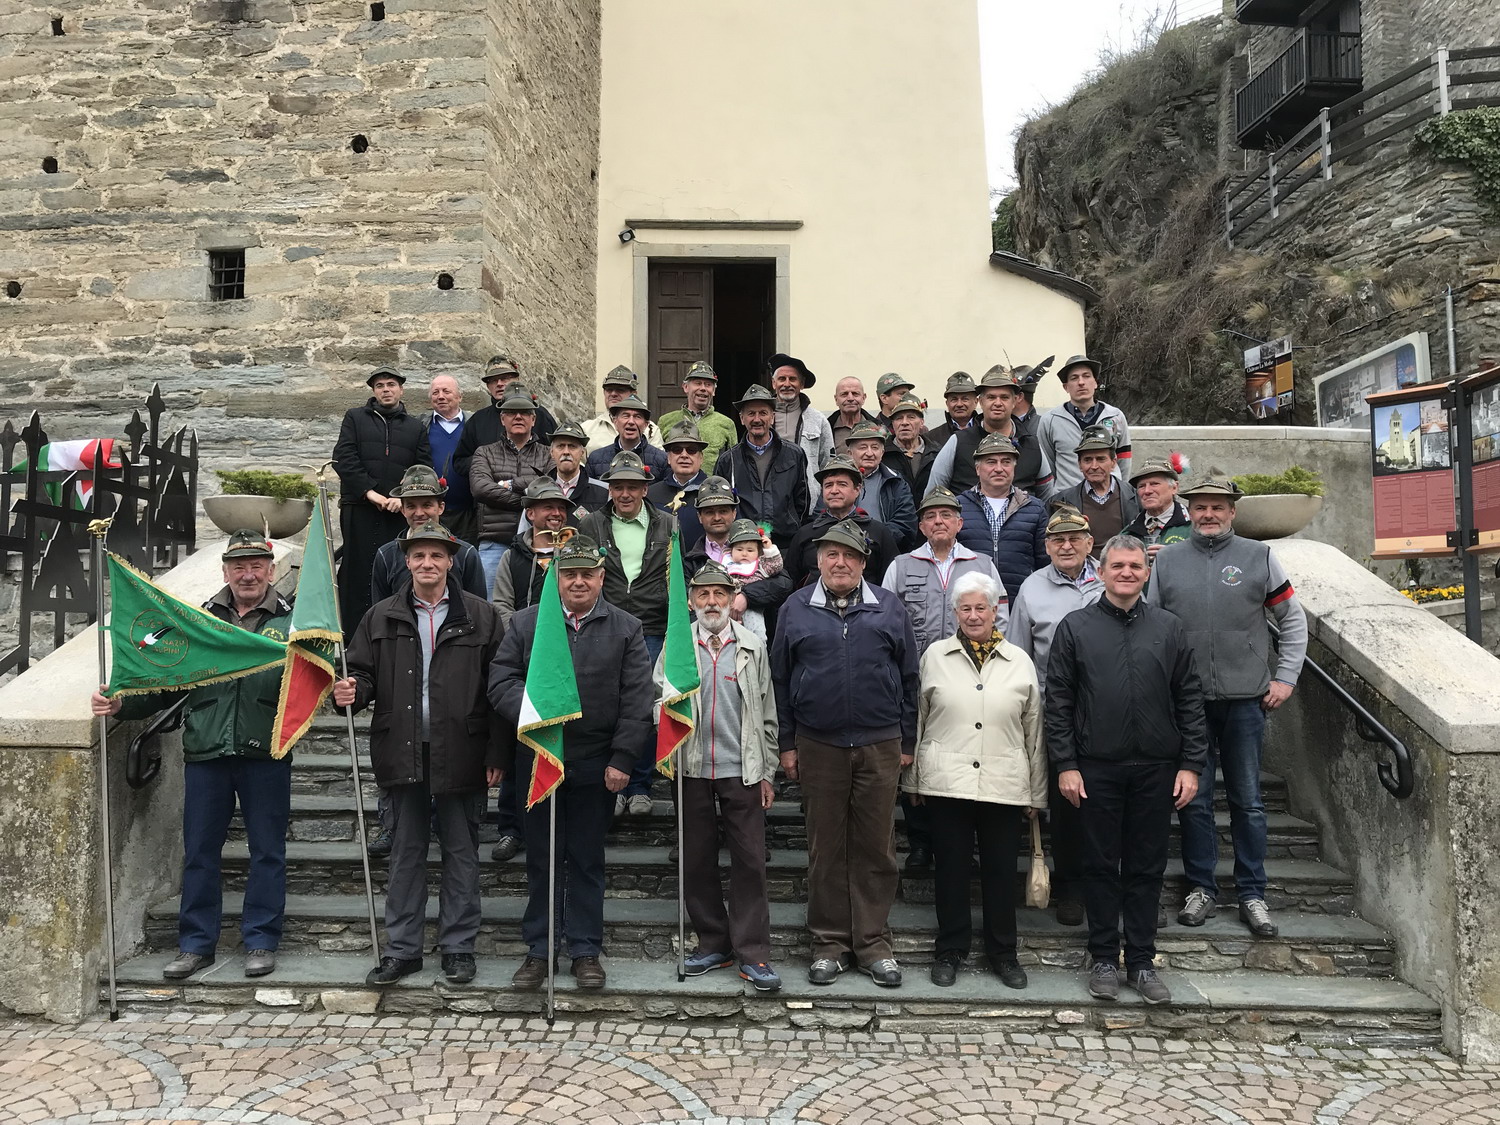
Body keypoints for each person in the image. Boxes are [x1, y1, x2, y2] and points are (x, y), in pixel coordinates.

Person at [90, 530, 293, 981]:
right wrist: (122, 704)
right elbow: (166, 682)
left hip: (266, 751)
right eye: (238, 566)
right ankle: (195, 945)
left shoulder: (294, 624)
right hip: (206, 751)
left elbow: (313, 683)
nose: (247, 574)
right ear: (225, 571)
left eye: (256, 565)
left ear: (271, 571)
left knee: (268, 852)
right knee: (200, 853)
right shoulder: (198, 621)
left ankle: (261, 940)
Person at [333, 521, 505, 986]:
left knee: (461, 852)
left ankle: (458, 947)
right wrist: (351, 690)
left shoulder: (483, 616)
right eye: (418, 556)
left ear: (451, 561)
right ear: (406, 562)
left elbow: (499, 688)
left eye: (436, 555)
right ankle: (403, 950)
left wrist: (497, 752)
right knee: (405, 852)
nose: (427, 563)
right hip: (401, 748)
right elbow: (362, 673)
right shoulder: (379, 616)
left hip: (463, 749)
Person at [1046, 533, 1208, 1005]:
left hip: (1156, 768)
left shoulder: (1169, 628)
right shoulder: (1075, 627)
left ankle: (1140, 961)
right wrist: (1066, 764)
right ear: (1101, 572)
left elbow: (1189, 698)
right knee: (1099, 865)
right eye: (1117, 566)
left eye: (1135, 566)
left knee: (1146, 866)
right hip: (1095, 767)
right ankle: (1102, 957)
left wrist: (1191, 764)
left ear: (1146, 572)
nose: (1126, 573)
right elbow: (1059, 701)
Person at [488, 533, 654, 992]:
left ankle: (584, 950)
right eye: (570, 574)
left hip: (596, 762)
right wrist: (535, 710)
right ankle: (539, 950)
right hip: (540, 758)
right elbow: (501, 679)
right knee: (542, 858)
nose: (578, 582)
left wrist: (623, 758)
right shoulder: (527, 623)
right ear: (557, 578)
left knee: (585, 859)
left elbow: (637, 698)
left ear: (601, 578)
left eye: (587, 574)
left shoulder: (626, 627)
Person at [1150, 469, 1308, 939]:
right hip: (1188, 702)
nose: (1209, 514)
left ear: (1232, 512)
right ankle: (1201, 887)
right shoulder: (1167, 561)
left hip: (1246, 700)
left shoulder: (1259, 556)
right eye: (1200, 507)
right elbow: (1152, 628)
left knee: (1248, 802)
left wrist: (1286, 677)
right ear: (1189, 512)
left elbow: (1292, 619)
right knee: (1194, 800)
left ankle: (1252, 893)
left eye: (1217, 507)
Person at [773, 519, 919, 988]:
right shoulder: (795, 608)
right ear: (818, 560)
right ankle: (829, 944)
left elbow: (910, 677)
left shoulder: (889, 607)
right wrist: (787, 743)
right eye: (832, 554)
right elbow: (780, 680)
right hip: (818, 743)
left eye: (850, 555)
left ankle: (873, 944)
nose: (840, 562)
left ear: (863, 562)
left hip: (880, 743)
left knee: (876, 846)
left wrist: (907, 740)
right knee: (825, 847)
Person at [906, 571, 1045, 989]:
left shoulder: (1019, 660)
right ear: (954, 613)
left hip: (1004, 782)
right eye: (964, 608)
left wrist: (1037, 792)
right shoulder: (934, 656)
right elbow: (918, 719)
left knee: (1001, 871)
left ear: (994, 610)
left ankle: (1004, 953)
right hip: (946, 781)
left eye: (980, 607)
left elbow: (1034, 729)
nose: (972, 615)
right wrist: (912, 781)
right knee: (950, 870)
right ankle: (950, 949)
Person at [659, 562, 781, 992]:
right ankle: (713, 943)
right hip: (691, 767)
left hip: (742, 768)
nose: (712, 602)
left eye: (719, 594)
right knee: (696, 859)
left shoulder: (752, 645)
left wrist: (767, 771)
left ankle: (753, 952)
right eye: (703, 595)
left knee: (750, 862)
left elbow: (767, 711)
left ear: (732, 600)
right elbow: (658, 701)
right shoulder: (677, 645)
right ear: (692, 601)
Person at [1006, 505, 1104, 927]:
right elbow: (1018, 656)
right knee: (1067, 806)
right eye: (1057, 540)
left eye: (1074, 539)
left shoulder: (1111, 578)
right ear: (1046, 547)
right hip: (1055, 713)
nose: (1066, 546)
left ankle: (1109, 886)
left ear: (1089, 543)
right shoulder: (1032, 588)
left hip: (1109, 712)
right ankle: (1071, 888)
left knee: (1108, 804)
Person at [579, 450, 677, 816]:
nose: (625, 494)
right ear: (609, 489)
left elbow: (675, 578)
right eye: (618, 486)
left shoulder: (668, 524)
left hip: (652, 626)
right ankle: (612, 784)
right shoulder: (592, 524)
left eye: (632, 487)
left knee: (645, 706)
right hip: (606, 625)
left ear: (645, 489)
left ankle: (639, 785)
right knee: (609, 704)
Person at [488, 478, 574, 864]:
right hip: (522, 660)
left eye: (560, 508)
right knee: (517, 744)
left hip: (564, 662)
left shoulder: (575, 553)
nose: (555, 513)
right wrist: (526, 639)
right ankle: (512, 827)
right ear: (530, 513)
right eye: (547, 507)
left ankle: (560, 827)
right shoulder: (514, 556)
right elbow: (501, 604)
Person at [332, 367, 430, 634]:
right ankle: (351, 635)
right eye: (380, 386)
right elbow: (344, 458)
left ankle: (391, 632)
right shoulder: (355, 418)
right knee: (356, 571)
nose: (386, 389)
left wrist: (403, 497)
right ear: (374, 391)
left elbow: (422, 468)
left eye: (391, 384)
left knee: (394, 570)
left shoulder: (415, 427)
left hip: (397, 512)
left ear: (401, 389)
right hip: (359, 508)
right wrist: (370, 492)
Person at [683, 477, 796, 628]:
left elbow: (784, 584)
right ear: (700, 517)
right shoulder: (691, 560)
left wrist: (746, 596)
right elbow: (686, 603)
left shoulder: (756, 548)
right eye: (709, 512)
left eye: (723, 511)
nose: (717, 517)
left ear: (734, 513)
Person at [470, 388, 552, 593]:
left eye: (524, 412)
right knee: (492, 604)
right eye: (511, 412)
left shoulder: (548, 454)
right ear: (502, 419)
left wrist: (512, 484)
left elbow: (551, 484)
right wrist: (528, 502)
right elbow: (480, 489)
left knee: (537, 602)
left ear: (533, 419)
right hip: (494, 542)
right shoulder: (485, 453)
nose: (518, 417)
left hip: (539, 543)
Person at [927, 366, 1055, 498]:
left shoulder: (1032, 445)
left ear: (1015, 401)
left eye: (1004, 397)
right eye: (991, 397)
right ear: (981, 401)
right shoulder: (958, 442)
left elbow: (1047, 497)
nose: (998, 403)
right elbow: (933, 494)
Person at [370, 465, 488, 605]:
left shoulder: (465, 554)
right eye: (411, 506)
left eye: (426, 505)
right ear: (403, 510)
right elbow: (380, 612)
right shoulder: (386, 556)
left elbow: (478, 609)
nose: (419, 513)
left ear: (441, 508)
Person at [953, 432, 1049, 601]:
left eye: (1006, 462)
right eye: (991, 462)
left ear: (1014, 468)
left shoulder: (1035, 509)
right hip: (972, 605)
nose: (999, 468)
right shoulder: (958, 507)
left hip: (1021, 602)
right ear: (977, 469)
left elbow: (1045, 564)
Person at [713, 384, 810, 549]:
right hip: (743, 546)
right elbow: (721, 503)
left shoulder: (794, 454)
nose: (757, 419)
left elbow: (803, 500)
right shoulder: (728, 460)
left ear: (772, 417)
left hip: (785, 545)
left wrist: (792, 526)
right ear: (742, 418)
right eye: (751, 413)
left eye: (763, 413)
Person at [785, 455, 900, 588]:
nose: (834, 491)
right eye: (828, 485)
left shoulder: (878, 532)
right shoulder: (805, 533)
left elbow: (893, 579)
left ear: (857, 489)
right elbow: (791, 580)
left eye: (842, 484)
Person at [452, 354, 557, 493]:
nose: (499, 383)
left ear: (516, 380)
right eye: (493, 380)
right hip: (490, 498)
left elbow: (556, 457)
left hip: (534, 496)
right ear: (488, 386)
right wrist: (488, 465)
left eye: (505, 378)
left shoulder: (540, 416)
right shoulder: (477, 421)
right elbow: (460, 462)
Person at [1036, 355, 1132, 493]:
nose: (1081, 382)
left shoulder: (1115, 416)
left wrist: (1121, 491)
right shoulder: (1050, 420)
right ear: (1066, 387)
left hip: (1110, 496)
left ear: (1095, 383)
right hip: (1068, 498)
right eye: (1074, 378)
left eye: (1086, 376)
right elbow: (1048, 464)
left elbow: (1124, 460)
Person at [1053, 426, 1142, 556]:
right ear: (1079, 465)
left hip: (1124, 566)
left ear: (1113, 462)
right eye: (1088, 460)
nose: (1094, 466)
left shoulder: (1137, 498)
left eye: (1101, 459)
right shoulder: (1061, 501)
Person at [767, 352, 836, 504]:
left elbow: (828, 466)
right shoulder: (761, 418)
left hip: (807, 502)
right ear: (773, 383)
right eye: (782, 379)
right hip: (769, 499)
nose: (787, 384)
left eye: (792, 379)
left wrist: (821, 503)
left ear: (802, 384)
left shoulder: (818, 420)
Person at [845, 420, 918, 549]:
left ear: (882, 453)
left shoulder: (896, 482)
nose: (869, 453)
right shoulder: (835, 481)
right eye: (863, 447)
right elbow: (822, 517)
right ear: (850, 453)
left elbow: (906, 523)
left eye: (875, 447)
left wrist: (872, 539)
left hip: (884, 550)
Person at [424, 374, 475, 542]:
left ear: (460, 396)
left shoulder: (474, 424)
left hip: (469, 513)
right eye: (435, 392)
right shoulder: (421, 425)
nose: (440, 396)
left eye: (446, 391)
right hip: (431, 512)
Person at [658, 360, 738, 467]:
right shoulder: (665, 421)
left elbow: (734, 464)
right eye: (698, 383)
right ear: (686, 387)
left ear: (714, 391)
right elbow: (658, 461)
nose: (703, 388)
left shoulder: (727, 424)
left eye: (708, 384)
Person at [648, 417, 710, 552]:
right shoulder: (651, 495)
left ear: (701, 458)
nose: (684, 455)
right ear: (669, 458)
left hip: (704, 563)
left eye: (691, 450)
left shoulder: (714, 493)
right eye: (677, 450)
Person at [722, 518, 784, 641]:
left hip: (753, 607)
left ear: (758, 552)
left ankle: (759, 649)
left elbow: (776, 566)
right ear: (731, 550)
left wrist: (769, 549)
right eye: (739, 549)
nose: (744, 554)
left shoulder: (761, 566)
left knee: (756, 633)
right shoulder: (725, 565)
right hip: (727, 609)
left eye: (750, 550)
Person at [585, 392, 669, 481]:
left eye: (637, 417)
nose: (631, 422)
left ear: (646, 425)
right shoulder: (596, 458)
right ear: (615, 422)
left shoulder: (661, 460)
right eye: (626, 416)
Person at [583, 365, 664, 452]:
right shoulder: (587, 428)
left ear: (633, 394)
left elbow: (657, 458)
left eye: (620, 390)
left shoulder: (650, 430)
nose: (613, 394)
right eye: (609, 390)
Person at [1123, 457, 1190, 560]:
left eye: (1154, 484)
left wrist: (1175, 558)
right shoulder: (1129, 533)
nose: (1147, 491)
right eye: (1141, 486)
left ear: (1174, 488)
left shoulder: (1195, 526)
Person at [545, 421, 610, 521]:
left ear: (582, 453)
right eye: (560, 446)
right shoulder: (537, 491)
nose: (566, 452)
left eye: (572, 446)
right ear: (552, 453)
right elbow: (525, 529)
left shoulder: (604, 492)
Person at [886, 392, 944, 500]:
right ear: (893, 424)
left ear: (922, 422)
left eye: (911, 417)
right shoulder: (883, 455)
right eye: (899, 418)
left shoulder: (937, 453)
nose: (904, 423)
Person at [830, 375, 879, 452]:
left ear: (863, 398)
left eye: (855, 393)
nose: (850, 398)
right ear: (836, 399)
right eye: (844, 394)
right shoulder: (826, 429)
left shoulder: (879, 428)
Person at [933, 371, 979, 441]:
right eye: (954, 399)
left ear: (976, 402)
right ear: (947, 403)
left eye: (965, 399)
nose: (959, 404)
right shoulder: (933, 437)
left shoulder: (986, 433)